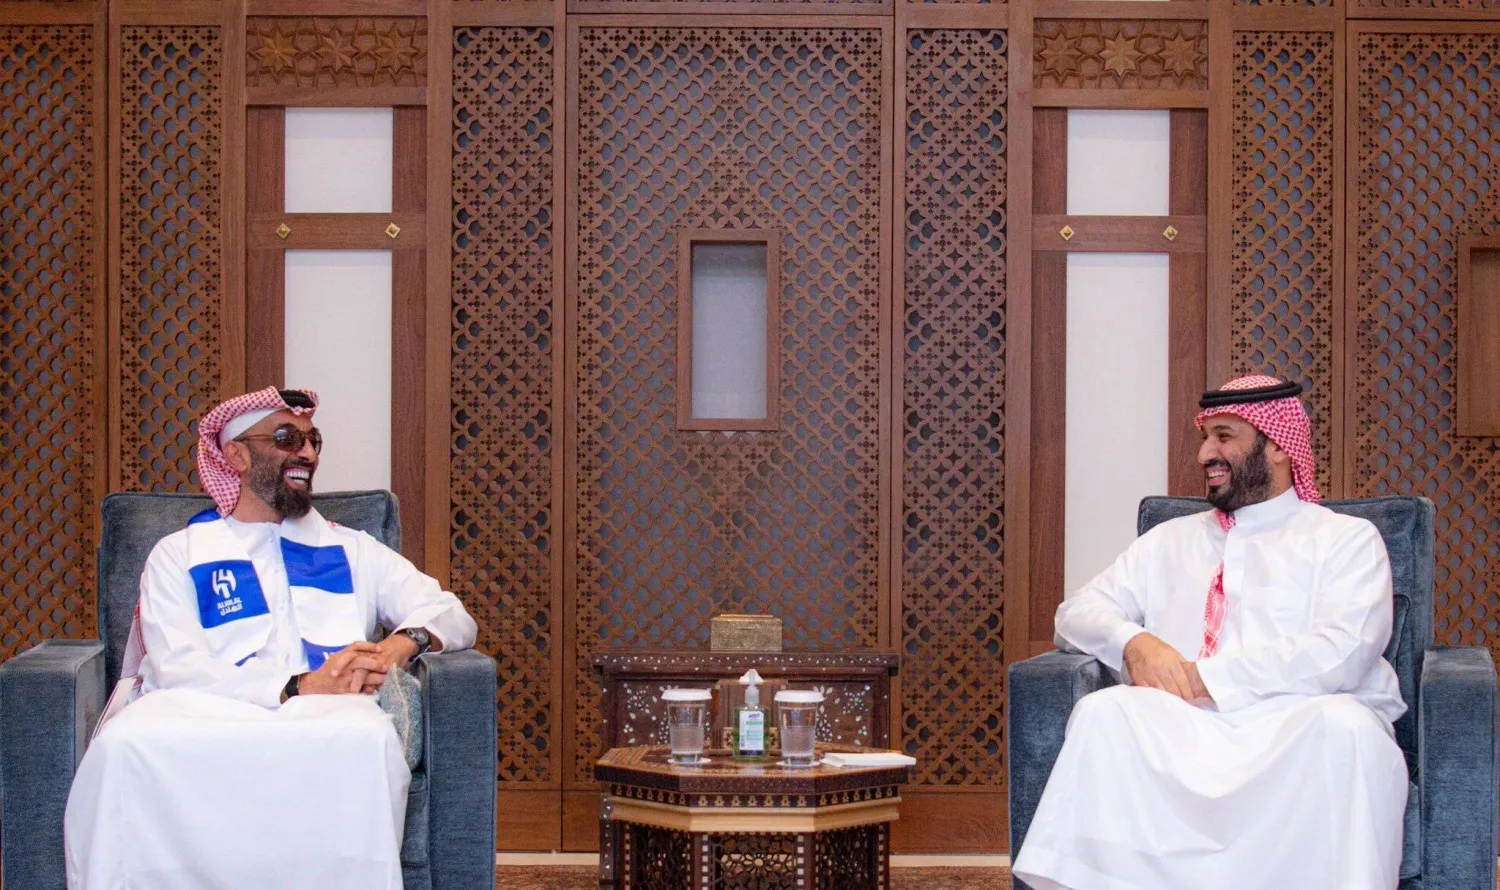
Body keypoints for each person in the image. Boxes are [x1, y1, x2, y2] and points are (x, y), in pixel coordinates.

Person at [64, 387, 479, 890]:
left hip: (328, 714)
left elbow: (450, 613)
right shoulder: (182, 552)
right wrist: (294, 686)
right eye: (286, 438)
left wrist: (400, 644)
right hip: (203, 709)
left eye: (313, 440)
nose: (307, 453)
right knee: (122, 746)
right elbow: (176, 665)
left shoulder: (350, 547)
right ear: (235, 455)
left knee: (367, 740)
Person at [1012, 375, 1408, 890]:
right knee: (1105, 712)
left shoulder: (1344, 539)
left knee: (1347, 728)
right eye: (1205, 438)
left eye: (1224, 437)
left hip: (1296, 723)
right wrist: (1135, 643)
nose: (1205, 454)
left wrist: (1205, 679)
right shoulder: (1168, 540)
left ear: (1278, 446)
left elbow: (1345, 651)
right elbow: (1076, 613)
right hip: (1183, 726)